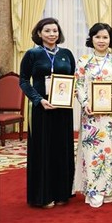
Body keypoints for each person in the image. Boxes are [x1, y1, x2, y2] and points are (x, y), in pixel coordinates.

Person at [19, 17, 76, 208]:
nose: (52, 34)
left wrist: (73, 91)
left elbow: (72, 78)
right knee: (43, 150)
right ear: (39, 33)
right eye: (48, 31)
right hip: (42, 109)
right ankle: (43, 195)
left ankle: (62, 193)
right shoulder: (32, 54)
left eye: (55, 31)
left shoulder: (67, 54)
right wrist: (39, 100)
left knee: (62, 148)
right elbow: (24, 81)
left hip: (63, 110)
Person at [73, 23, 112, 208]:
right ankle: (94, 190)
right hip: (91, 115)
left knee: (111, 149)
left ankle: (110, 189)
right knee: (93, 151)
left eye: (105, 37)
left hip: (111, 115)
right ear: (91, 39)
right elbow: (78, 85)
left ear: (110, 39)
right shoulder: (84, 60)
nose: (101, 41)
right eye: (98, 37)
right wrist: (85, 103)